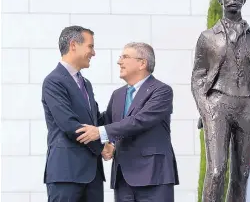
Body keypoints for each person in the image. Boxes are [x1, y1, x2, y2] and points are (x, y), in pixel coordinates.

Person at [191, 0, 250, 202]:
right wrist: (205, 107)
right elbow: (197, 77)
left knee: (242, 174)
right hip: (218, 104)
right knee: (216, 171)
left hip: (248, 106)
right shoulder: (207, 37)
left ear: (244, 0)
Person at [76, 42, 179, 202]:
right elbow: (104, 121)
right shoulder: (118, 94)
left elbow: (140, 121)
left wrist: (100, 132)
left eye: (125, 57)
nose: (119, 62)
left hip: (154, 176)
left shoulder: (161, 91)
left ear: (142, 63)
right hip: (123, 178)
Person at [41, 25, 112, 202]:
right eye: (90, 46)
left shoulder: (86, 83)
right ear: (73, 45)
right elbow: (69, 125)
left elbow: (96, 120)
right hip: (67, 173)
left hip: (92, 175)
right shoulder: (54, 81)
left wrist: (124, 107)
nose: (93, 53)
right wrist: (102, 147)